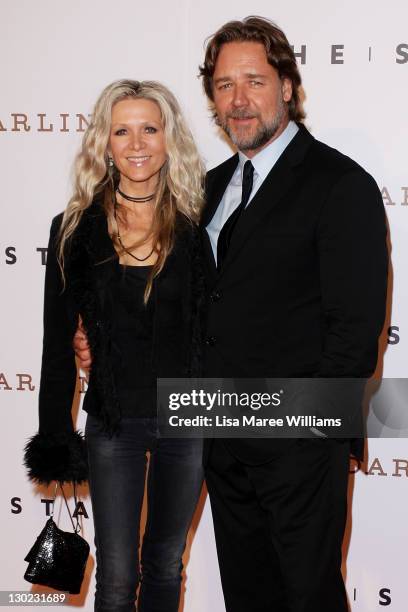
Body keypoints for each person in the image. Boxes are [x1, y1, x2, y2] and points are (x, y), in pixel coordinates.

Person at [73, 17, 388, 612]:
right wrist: (104, 341)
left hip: (298, 446)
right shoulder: (204, 190)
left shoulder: (339, 184)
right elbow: (183, 309)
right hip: (217, 438)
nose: (239, 101)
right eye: (223, 86)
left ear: (287, 87)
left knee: (308, 597)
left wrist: (305, 438)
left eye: (255, 81)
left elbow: (353, 333)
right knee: (250, 596)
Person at [24, 79, 206, 612]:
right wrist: (57, 435)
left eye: (149, 128)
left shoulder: (199, 228)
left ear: (169, 139)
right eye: (121, 130)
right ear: (103, 143)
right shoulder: (74, 230)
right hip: (113, 421)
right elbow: (57, 345)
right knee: (118, 575)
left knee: (167, 563)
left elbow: (219, 327)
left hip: (188, 418)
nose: (136, 143)